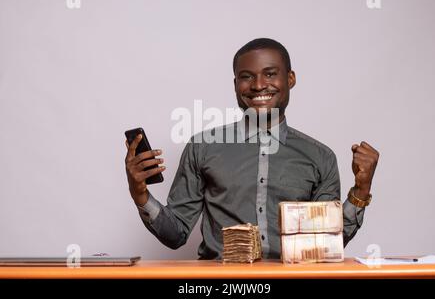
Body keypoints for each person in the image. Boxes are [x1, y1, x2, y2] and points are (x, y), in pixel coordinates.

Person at [125, 38, 379, 259]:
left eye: (270, 74)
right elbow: (176, 234)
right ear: (236, 84)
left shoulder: (320, 157)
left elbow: (326, 242)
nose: (258, 85)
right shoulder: (202, 148)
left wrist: (360, 190)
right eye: (247, 76)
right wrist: (141, 195)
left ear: (290, 79)